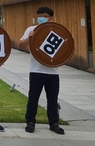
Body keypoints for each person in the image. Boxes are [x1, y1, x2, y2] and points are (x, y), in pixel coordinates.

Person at [19, 7, 64, 135]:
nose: (41, 18)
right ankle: (30, 122)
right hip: (36, 70)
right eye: (39, 15)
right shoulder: (31, 29)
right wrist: (30, 37)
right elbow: (21, 44)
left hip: (53, 72)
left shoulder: (57, 30)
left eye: (44, 15)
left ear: (51, 17)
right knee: (33, 98)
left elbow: (65, 49)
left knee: (53, 99)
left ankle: (54, 123)